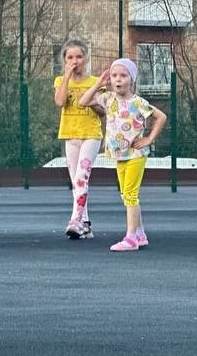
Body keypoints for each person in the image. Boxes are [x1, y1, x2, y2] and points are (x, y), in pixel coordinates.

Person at [78, 58, 167, 252]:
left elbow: (161, 117)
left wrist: (149, 139)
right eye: (114, 75)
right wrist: (98, 84)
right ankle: (140, 233)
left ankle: (131, 238)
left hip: (136, 153)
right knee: (125, 195)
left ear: (131, 79)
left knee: (130, 195)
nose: (118, 80)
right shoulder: (108, 98)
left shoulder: (138, 103)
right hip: (119, 155)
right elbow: (82, 102)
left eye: (123, 76)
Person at [53, 39, 103, 239]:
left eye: (79, 56)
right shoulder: (60, 80)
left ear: (86, 58)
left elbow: (102, 111)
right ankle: (85, 223)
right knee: (76, 182)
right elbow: (60, 101)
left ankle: (75, 220)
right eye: (70, 57)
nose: (75, 61)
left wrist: (91, 102)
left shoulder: (95, 82)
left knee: (82, 176)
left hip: (90, 135)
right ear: (64, 60)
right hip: (70, 134)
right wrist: (66, 76)